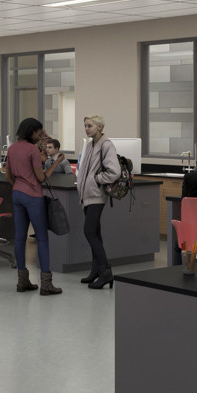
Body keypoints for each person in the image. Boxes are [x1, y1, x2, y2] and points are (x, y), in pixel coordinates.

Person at [3, 117, 61, 296]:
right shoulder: (33, 150)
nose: (40, 135)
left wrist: (19, 184)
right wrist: (57, 162)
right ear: (31, 132)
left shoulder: (12, 148)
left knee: (20, 237)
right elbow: (42, 178)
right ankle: (46, 284)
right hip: (33, 196)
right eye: (39, 132)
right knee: (42, 238)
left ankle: (22, 281)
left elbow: (7, 174)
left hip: (17, 194)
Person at [77, 116, 120, 289]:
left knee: (89, 231)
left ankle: (106, 273)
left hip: (96, 195)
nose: (86, 128)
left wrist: (96, 179)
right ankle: (96, 270)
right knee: (95, 233)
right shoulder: (90, 144)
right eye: (85, 126)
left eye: (90, 126)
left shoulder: (106, 145)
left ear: (99, 127)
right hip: (87, 195)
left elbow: (114, 172)